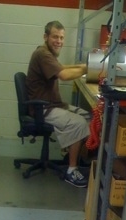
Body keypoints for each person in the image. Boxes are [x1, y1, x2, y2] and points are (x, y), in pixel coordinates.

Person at [26, 20, 91, 188]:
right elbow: (64, 74)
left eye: (62, 38)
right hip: (44, 109)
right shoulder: (43, 54)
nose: (59, 41)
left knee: (89, 116)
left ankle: (71, 155)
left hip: (53, 105)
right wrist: (89, 70)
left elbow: (62, 67)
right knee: (79, 123)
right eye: (55, 37)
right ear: (45, 37)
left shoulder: (48, 54)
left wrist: (84, 66)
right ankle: (71, 170)